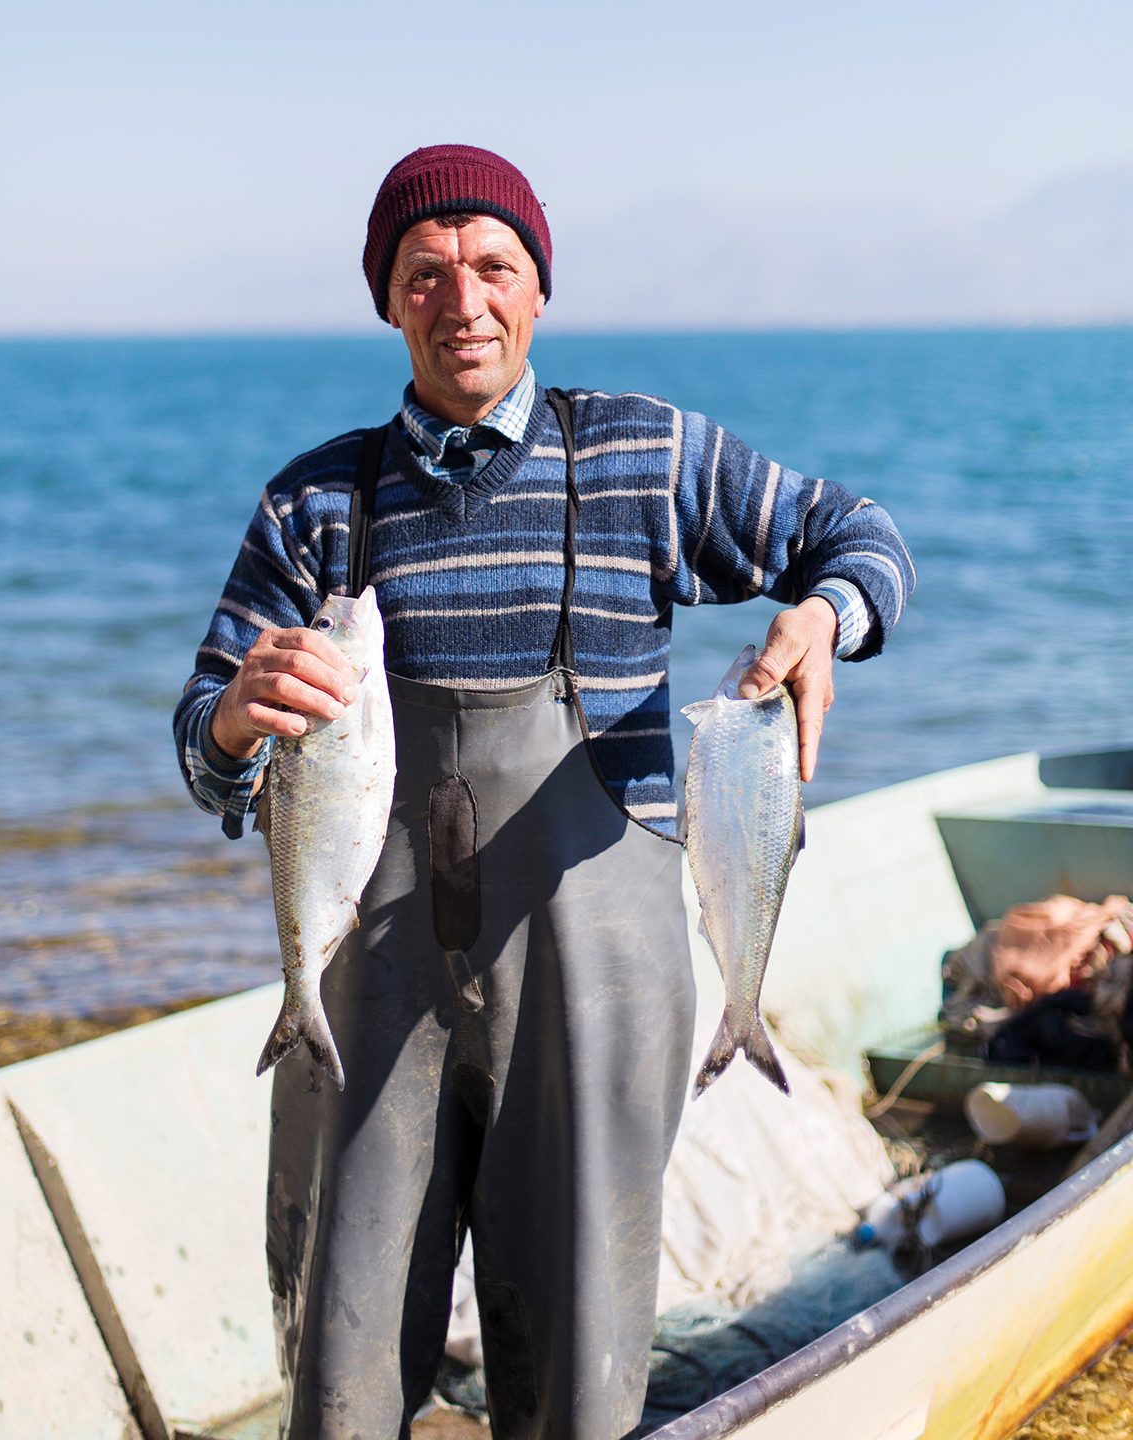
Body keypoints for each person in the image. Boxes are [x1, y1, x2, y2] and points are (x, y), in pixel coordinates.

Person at [174, 144, 915, 1440]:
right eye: (426, 273)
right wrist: (237, 717)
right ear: (388, 301)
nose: (463, 297)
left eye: (493, 266)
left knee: (578, 1370)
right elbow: (203, 755)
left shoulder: (645, 455)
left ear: (538, 287)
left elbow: (862, 535)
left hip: (596, 986)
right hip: (369, 992)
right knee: (341, 1364)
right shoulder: (313, 509)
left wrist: (825, 618)